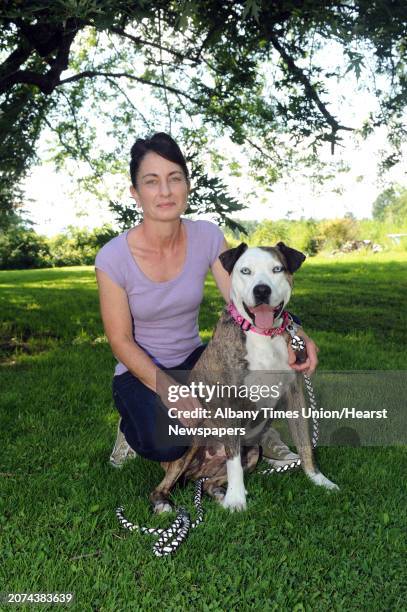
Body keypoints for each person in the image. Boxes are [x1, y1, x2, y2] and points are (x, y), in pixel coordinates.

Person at [94, 132, 319, 471]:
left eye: (174, 178)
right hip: (137, 372)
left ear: (187, 185)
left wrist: (296, 335)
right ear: (135, 194)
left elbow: (243, 302)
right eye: (152, 182)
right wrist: (171, 392)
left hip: (195, 361)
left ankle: (260, 433)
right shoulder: (112, 257)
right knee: (168, 442)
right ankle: (129, 430)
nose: (166, 191)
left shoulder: (207, 236)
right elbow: (120, 340)